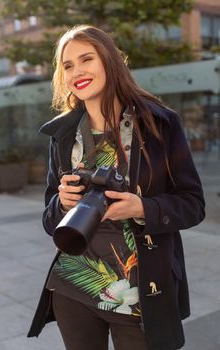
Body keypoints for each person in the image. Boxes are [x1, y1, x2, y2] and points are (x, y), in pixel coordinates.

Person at [28, 25, 205, 350]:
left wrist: (142, 208)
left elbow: (193, 203)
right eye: (68, 65)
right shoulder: (62, 135)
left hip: (140, 293)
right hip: (74, 286)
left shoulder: (159, 124)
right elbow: (49, 219)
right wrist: (63, 203)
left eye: (86, 59)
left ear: (108, 60)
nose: (77, 71)